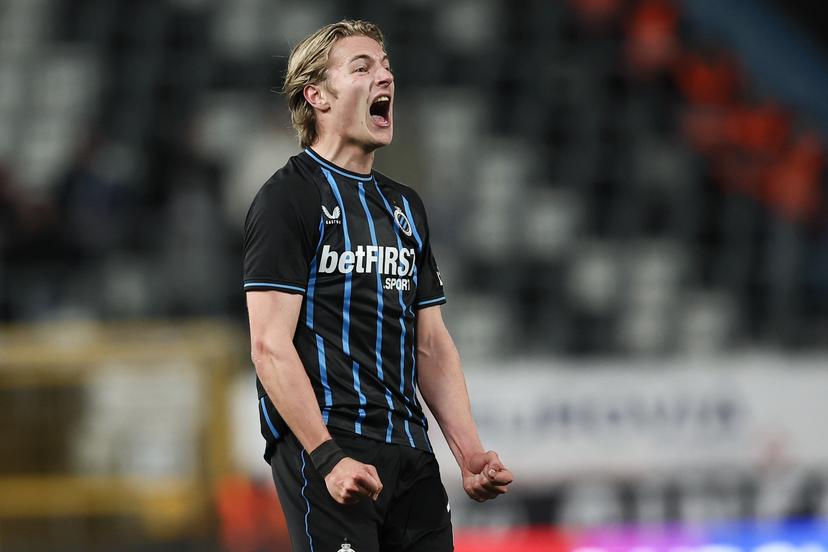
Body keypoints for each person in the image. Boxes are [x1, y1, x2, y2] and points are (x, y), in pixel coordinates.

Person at [243, 19, 513, 552]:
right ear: (317, 95)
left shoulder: (405, 207)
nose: (384, 77)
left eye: (386, 66)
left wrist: (469, 453)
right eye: (362, 67)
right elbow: (269, 346)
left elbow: (430, 343)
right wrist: (327, 457)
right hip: (331, 445)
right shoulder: (287, 199)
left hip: (411, 451)